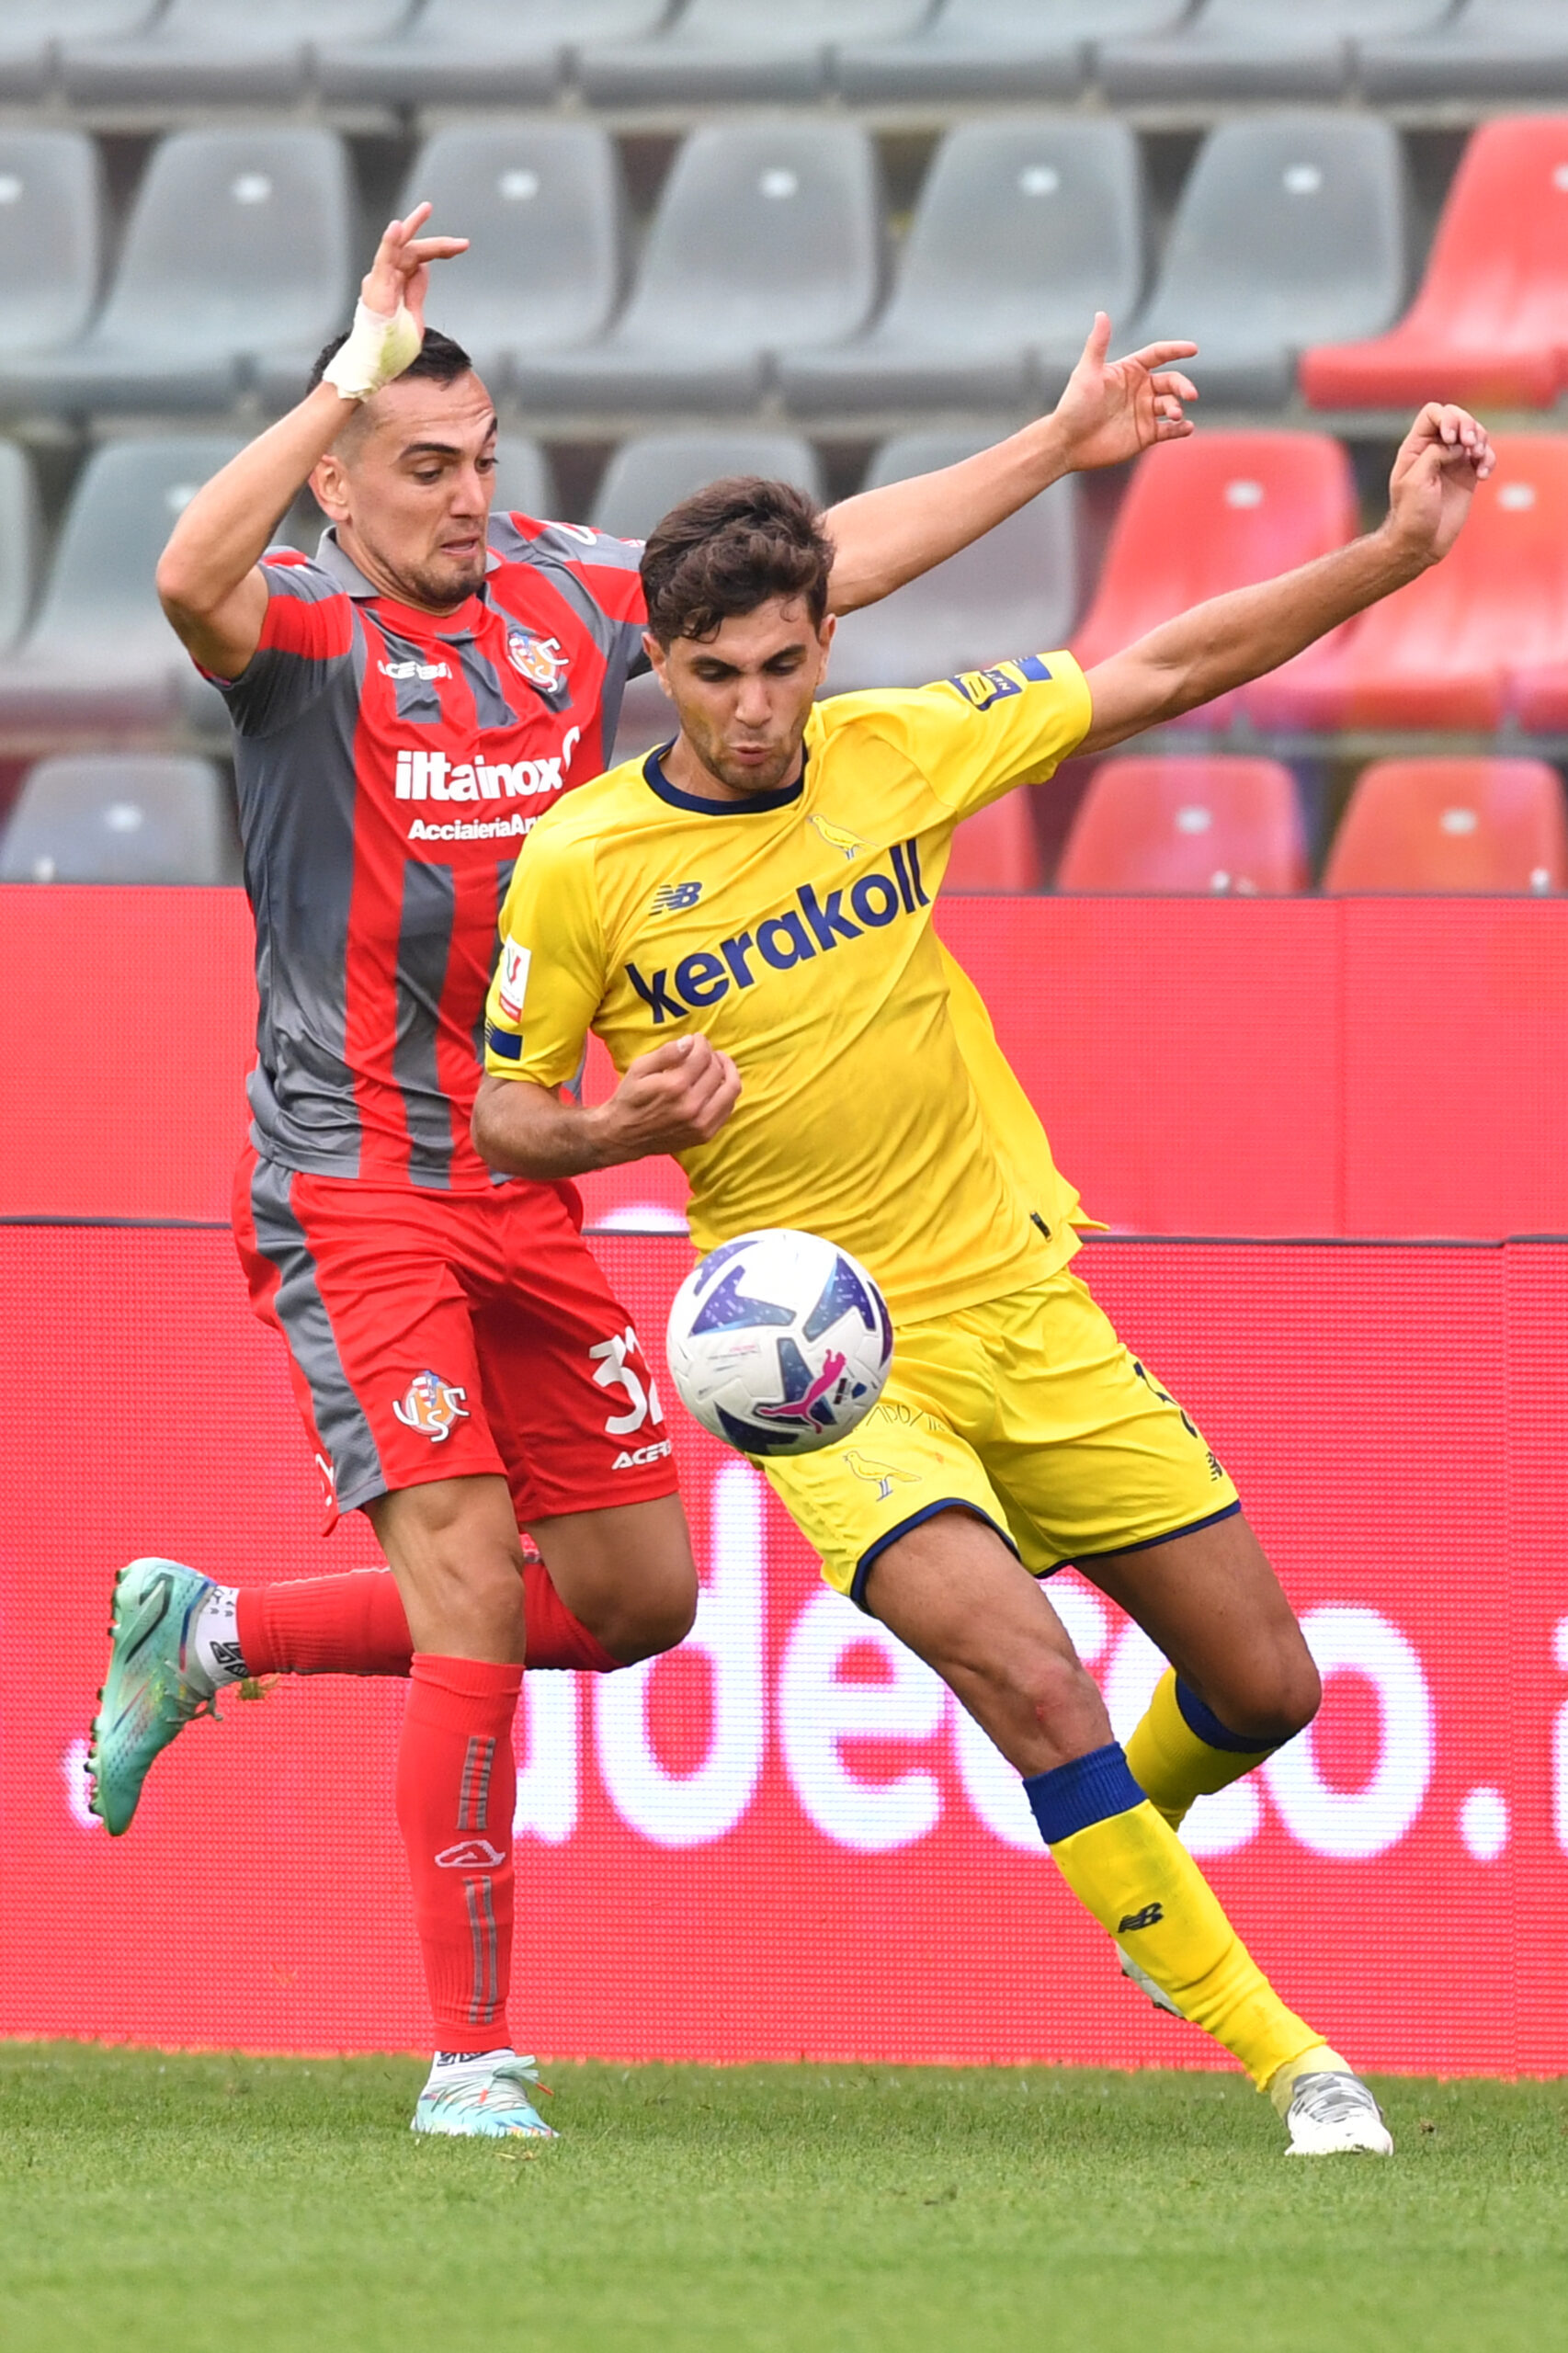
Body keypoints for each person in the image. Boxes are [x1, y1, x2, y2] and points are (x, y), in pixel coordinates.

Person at [86, 203, 1207, 2140]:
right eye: (422, 466)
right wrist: (348, 370)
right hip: (353, 1181)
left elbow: (818, 567)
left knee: (634, 1601)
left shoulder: (551, 592)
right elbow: (186, 570)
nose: (466, 494)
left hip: (530, 1166)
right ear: (337, 480)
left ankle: (214, 1632)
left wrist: (1055, 444)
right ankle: (471, 2061)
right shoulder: (303, 632)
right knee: (463, 1592)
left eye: (480, 456)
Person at [470, 405, 1493, 2155]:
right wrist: (609, 1127)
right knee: (1036, 1683)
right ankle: (1290, 2062)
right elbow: (504, 1116)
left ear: (825, 639)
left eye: (782, 665)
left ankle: (1133, 1860)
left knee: (1266, 1687)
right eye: (713, 675)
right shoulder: (582, 865)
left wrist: (1396, 553)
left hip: (1022, 1304)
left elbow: (1165, 664)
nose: (753, 709)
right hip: (823, 1370)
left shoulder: (899, 751)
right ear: (660, 664)